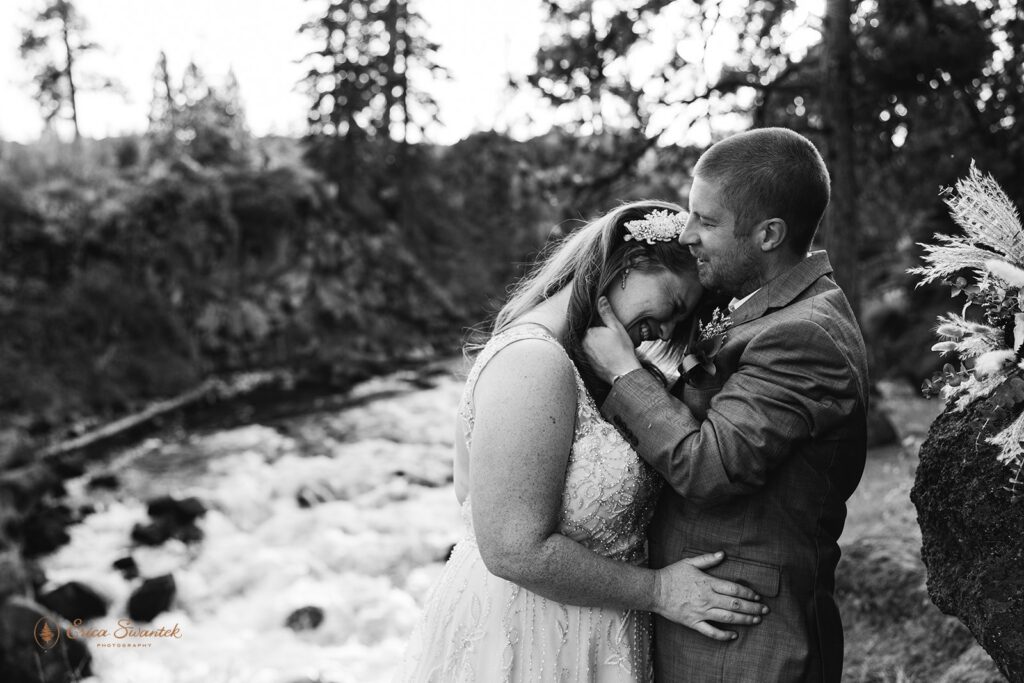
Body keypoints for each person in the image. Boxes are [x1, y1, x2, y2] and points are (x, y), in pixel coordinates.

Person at [395, 201, 767, 682]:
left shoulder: (599, 360)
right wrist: (659, 592)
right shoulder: (532, 361)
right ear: (633, 264)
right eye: (673, 306)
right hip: (529, 638)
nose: (667, 331)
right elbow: (512, 548)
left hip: (597, 637)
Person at [583, 128, 869, 682]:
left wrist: (622, 371)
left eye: (706, 222)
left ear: (768, 234)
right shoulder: (767, 314)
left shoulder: (804, 335)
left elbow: (709, 467)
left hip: (750, 644)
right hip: (715, 631)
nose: (687, 235)